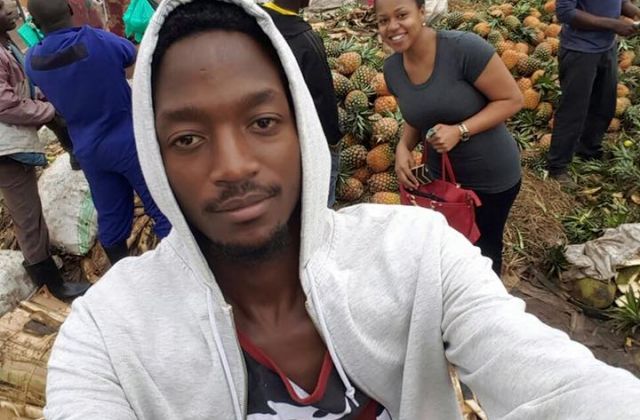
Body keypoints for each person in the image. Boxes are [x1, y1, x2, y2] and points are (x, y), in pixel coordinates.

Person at [44, 1, 640, 419]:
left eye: (262, 122)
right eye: (188, 138)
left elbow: (556, 384)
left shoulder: (417, 256)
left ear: (302, 130)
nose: (233, 165)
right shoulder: (107, 335)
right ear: (156, 154)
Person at [377, 0, 523, 275]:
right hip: (442, 181)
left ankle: (483, 315)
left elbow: (512, 99)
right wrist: (403, 147)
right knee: (446, 253)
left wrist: (461, 130)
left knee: (484, 257)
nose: (392, 26)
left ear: (422, 12)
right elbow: (417, 116)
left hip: (490, 178)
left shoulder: (464, 49)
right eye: (383, 20)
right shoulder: (393, 69)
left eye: (401, 15)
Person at [25, 0, 171, 265]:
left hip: (89, 150)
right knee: (161, 207)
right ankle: (178, 269)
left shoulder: (32, 60)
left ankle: (122, 277)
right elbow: (129, 54)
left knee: (111, 217)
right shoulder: (97, 41)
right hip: (128, 141)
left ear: (34, 24)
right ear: (71, 9)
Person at [0, 0, 90, 300]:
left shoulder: (6, 46)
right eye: (3, 8)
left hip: (12, 143)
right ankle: (51, 282)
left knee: (29, 212)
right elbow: (7, 103)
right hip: (5, 151)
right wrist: (48, 109)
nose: (12, 10)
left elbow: (20, 88)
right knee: (27, 215)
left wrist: (43, 97)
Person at [547, 0, 640, 185]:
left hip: (607, 47)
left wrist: (636, 12)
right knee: (573, 110)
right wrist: (612, 24)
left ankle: (588, 150)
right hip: (580, 50)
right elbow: (565, 12)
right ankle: (557, 166)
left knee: (604, 104)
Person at [259, 0, 342, 206]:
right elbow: (323, 98)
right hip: (310, 139)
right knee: (320, 202)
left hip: (269, 138)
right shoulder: (305, 40)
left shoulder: (254, 25)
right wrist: (333, 140)